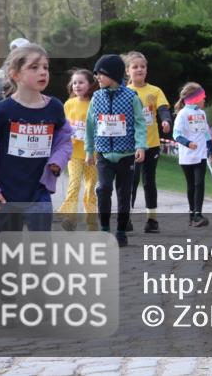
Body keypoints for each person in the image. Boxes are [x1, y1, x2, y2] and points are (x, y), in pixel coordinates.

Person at [0, 44, 72, 232]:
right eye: (34, 67)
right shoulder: (1, 111)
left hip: (39, 193)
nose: (43, 72)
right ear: (15, 74)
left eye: (45, 67)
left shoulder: (55, 107)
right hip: (6, 194)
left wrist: (58, 160)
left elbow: (65, 139)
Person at [86, 54, 147, 247]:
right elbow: (90, 125)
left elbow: (139, 123)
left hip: (126, 155)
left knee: (124, 194)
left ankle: (121, 231)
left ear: (112, 74)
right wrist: (90, 150)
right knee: (103, 189)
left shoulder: (131, 97)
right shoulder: (96, 97)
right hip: (104, 154)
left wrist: (140, 146)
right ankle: (104, 229)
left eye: (100, 74)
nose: (97, 77)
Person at [123, 51, 172, 232]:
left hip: (151, 144)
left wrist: (166, 120)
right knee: (130, 181)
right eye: (135, 67)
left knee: (149, 181)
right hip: (130, 145)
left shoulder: (155, 91)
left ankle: (152, 220)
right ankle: (125, 217)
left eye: (143, 66)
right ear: (128, 71)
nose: (139, 69)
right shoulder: (124, 92)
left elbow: (163, 109)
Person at [173, 82, 212, 227]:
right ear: (194, 98)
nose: (205, 100)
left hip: (201, 155)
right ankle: (192, 214)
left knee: (199, 184)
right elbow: (176, 134)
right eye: (202, 97)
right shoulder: (183, 114)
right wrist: (188, 143)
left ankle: (198, 214)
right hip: (186, 156)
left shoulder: (202, 113)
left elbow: (205, 133)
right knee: (191, 185)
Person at [60, 69, 99, 231]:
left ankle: (91, 221)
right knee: (74, 184)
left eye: (81, 82)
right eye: (74, 82)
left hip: (93, 155)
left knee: (91, 188)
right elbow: (63, 127)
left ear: (90, 85)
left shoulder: (96, 103)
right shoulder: (68, 104)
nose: (77, 85)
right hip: (74, 153)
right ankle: (70, 218)